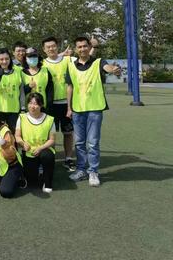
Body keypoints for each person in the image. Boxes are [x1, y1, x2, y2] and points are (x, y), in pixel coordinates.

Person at [66, 36, 121, 187]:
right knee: (79, 142)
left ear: (90, 47)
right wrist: (69, 108)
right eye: (79, 47)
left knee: (93, 142)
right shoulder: (71, 66)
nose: (82, 49)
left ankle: (93, 171)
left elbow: (108, 68)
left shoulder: (99, 62)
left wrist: (114, 70)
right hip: (77, 110)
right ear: (76, 49)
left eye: (85, 46)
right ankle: (81, 170)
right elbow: (69, 87)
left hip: (95, 110)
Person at [41, 36, 76, 170]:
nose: (51, 49)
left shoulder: (68, 60)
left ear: (57, 46)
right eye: (48, 47)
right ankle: (51, 159)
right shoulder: (42, 63)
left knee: (68, 133)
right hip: (49, 105)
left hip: (66, 104)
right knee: (51, 135)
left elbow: (84, 59)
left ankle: (68, 159)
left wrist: (93, 47)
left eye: (53, 46)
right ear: (44, 49)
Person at [15, 93, 56, 193]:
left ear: (41, 105)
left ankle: (47, 183)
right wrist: (23, 143)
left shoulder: (50, 119)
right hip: (29, 151)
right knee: (32, 181)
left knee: (47, 156)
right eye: (30, 103)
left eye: (36, 104)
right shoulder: (21, 117)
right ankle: (38, 171)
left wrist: (41, 148)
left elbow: (52, 140)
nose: (32, 106)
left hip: (44, 150)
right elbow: (17, 136)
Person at [0, 48, 24, 133]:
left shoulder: (18, 70)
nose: (4, 61)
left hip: (14, 110)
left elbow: (21, 91)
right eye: (1, 59)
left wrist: (23, 108)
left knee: (13, 134)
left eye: (7, 59)